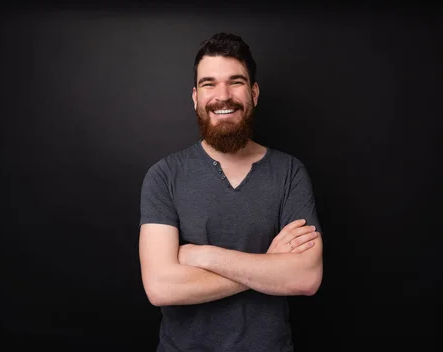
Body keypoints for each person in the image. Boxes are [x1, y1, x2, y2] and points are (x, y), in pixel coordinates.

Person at [138, 32, 323, 352]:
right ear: (195, 96)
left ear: (254, 92)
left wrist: (202, 255)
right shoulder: (164, 176)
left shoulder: (290, 173)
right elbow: (160, 287)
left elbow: (305, 278)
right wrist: (268, 265)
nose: (222, 96)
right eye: (209, 84)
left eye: (235, 82)